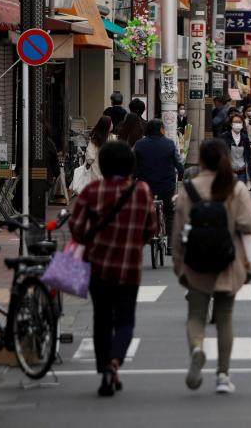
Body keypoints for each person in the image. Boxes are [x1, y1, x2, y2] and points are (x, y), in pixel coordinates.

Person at [174, 138, 251, 395]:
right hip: (227, 260)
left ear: (201, 160)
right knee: (225, 318)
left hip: (196, 260)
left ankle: (198, 348)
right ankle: (223, 375)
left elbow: (178, 232)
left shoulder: (188, 189)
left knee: (196, 315)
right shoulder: (234, 187)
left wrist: (179, 265)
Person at [70, 141, 155, 397]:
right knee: (126, 320)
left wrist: (92, 240)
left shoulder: (92, 191)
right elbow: (151, 228)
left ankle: (105, 368)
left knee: (102, 319)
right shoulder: (141, 191)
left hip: (99, 268)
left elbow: (76, 228)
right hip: (129, 268)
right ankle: (115, 362)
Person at [133, 119, 184, 252]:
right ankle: (171, 246)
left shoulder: (139, 145)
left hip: (145, 187)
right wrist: (182, 175)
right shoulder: (169, 144)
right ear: (161, 129)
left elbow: (133, 166)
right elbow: (178, 164)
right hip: (166, 186)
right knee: (170, 213)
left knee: (143, 212)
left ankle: (146, 236)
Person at [73, 115, 113, 195]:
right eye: (111, 123)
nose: (112, 125)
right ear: (107, 125)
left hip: (96, 170)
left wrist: (88, 164)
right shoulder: (112, 138)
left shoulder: (95, 139)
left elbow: (90, 157)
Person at [218, 109, 251, 186]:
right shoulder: (224, 137)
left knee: (240, 193)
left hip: (242, 171)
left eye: (239, 122)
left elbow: (248, 156)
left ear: (242, 124)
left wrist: (250, 170)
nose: (237, 124)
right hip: (228, 171)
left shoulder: (245, 138)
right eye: (235, 122)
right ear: (231, 124)